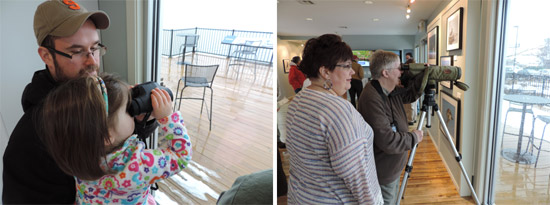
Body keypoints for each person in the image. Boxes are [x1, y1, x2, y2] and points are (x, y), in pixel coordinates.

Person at [3, 1, 155, 203]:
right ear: (46, 55)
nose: (92, 62)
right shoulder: (29, 143)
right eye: (76, 51)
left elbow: (119, 149)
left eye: (95, 48)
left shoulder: (105, 96)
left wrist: (141, 122)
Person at [39, 74, 192, 204]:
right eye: (128, 109)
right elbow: (181, 155)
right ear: (107, 135)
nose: (131, 110)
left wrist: (122, 97)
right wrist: (168, 118)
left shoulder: (75, 154)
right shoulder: (138, 165)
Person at [285, 34, 383, 204]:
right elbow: (359, 180)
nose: (352, 70)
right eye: (346, 66)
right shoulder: (338, 111)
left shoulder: (298, 100)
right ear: (325, 72)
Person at [357, 50, 424, 205]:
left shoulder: (388, 90)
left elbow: (409, 95)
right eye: (399, 68)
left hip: (393, 167)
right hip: (383, 173)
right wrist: (414, 137)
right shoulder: (372, 98)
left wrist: (421, 76)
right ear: (385, 73)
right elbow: (387, 140)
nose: (401, 71)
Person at [404, 52, 417, 125]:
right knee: (413, 106)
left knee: (410, 106)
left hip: (410, 90)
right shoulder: (417, 71)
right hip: (415, 90)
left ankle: (410, 120)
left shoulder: (410, 72)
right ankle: (413, 118)